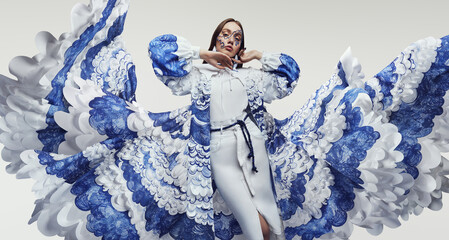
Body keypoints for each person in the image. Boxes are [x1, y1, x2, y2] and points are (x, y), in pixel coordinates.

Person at [148, 18, 300, 240]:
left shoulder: (251, 76)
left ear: (241, 47)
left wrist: (258, 55)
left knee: (272, 221)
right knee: (254, 225)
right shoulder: (196, 76)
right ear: (215, 39)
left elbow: (290, 74)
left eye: (237, 38)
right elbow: (158, 48)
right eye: (226, 34)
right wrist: (201, 53)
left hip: (253, 147)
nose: (231, 40)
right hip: (219, 152)